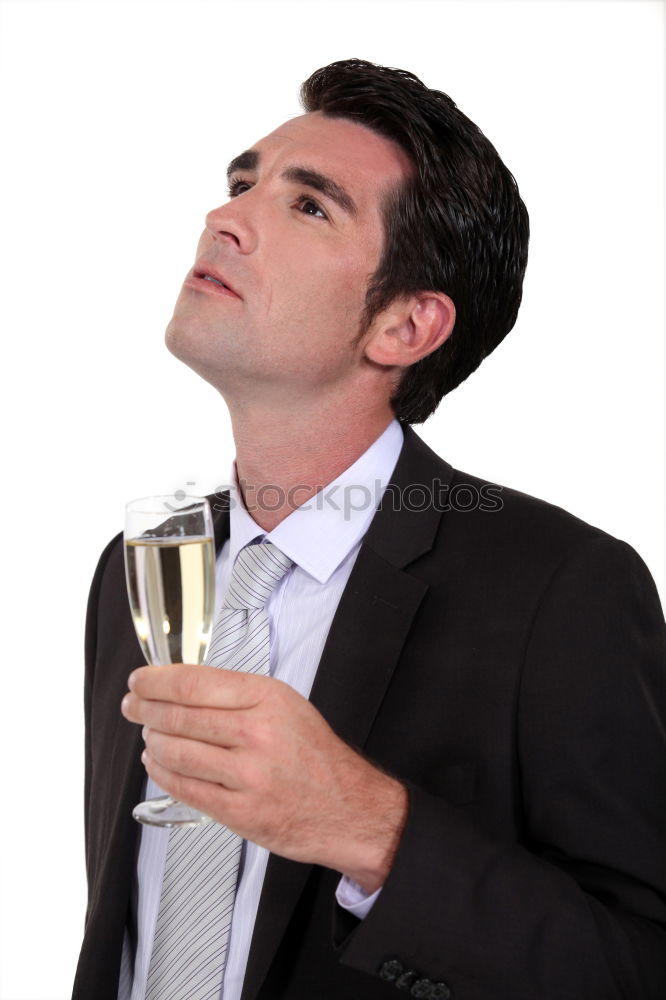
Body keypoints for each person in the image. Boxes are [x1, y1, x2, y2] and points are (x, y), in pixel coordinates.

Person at [72, 58, 666, 1000]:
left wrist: (370, 829)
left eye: (309, 206)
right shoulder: (140, 570)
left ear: (403, 326)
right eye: (241, 183)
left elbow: (638, 966)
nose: (226, 218)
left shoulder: (563, 589)